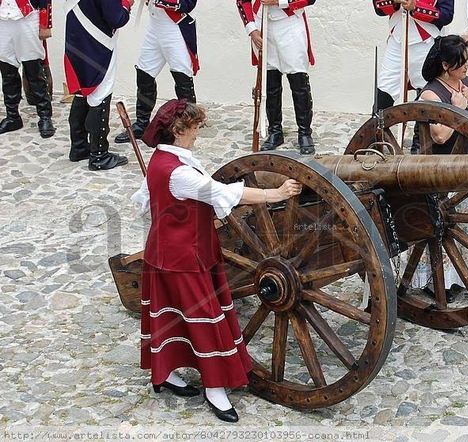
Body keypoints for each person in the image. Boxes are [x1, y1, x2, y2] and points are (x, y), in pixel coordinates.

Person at [132, 99, 302, 422]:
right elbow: (224, 193)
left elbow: (146, 198)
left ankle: (164, 373)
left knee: (171, 315)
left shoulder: (163, 160)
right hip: (183, 259)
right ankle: (214, 388)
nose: (197, 134)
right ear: (178, 131)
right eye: (194, 128)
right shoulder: (178, 172)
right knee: (206, 320)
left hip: (171, 252)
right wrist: (275, 194)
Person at [411, 35, 468, 294]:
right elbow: (439, 135)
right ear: (446, 65)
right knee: (450, 228)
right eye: (462, 64)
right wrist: (458, 111)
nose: (467, 68)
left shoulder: (467, 84)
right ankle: (444, 280)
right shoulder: (431, 92)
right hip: (443, 172)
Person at [373, 0, 454, 153]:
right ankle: (377, 140)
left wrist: (417, 7)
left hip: (426, 41)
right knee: (384, 90)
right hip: (397, 38)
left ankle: (421, 143)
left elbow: (446, 15)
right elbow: (378, 7)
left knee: (426, 94)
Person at [236, 0, 317, 154]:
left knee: (298, 80)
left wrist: (279, 1)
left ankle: (305, 132)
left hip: (289, 22)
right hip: (262, 22)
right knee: (270, 81)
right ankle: (275, 131)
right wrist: (252, 29)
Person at [114, 0, 199, 144]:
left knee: (182, 77)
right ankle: (142, 124)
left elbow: (188, 4)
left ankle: (189, 125)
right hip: (155, 28)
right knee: (144, 73)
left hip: (175, 29)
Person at [64, 0, 131, 170]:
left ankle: (79, 147)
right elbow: (116, 18)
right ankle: (99, 155)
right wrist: (127, 4)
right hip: (98, 42)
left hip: (76, 36)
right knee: (101, 92)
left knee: (82, 92)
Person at [0, 0, 55, 138]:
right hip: (2, 19)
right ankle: (13, 117)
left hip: (28, 17)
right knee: (7, 71)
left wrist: (45, 24)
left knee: (34, 71)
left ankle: (45, 117)